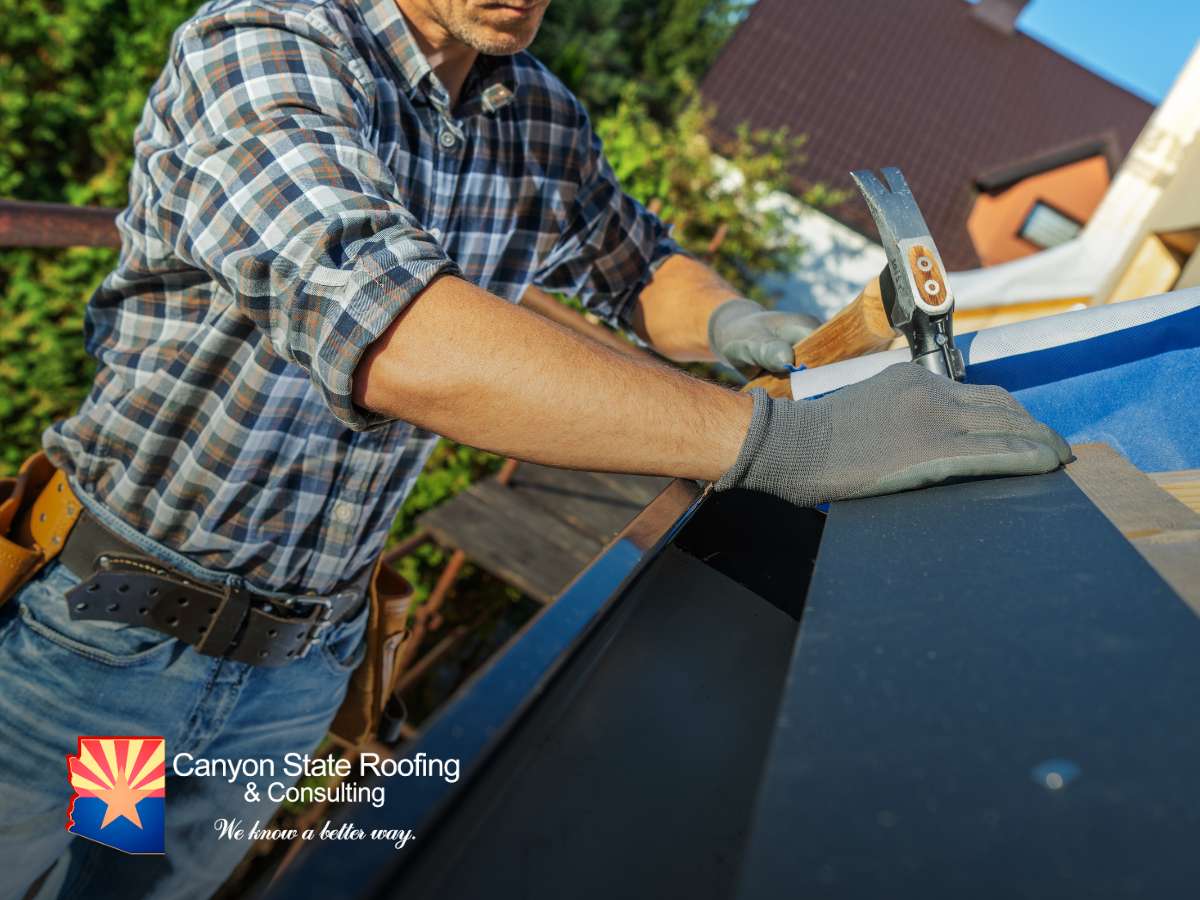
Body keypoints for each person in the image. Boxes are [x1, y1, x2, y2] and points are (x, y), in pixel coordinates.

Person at [0, 0, 1070, 896]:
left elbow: (639, 264)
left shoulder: (534, 118)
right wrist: (778, 440)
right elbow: (393, 334)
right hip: (115, 643)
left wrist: (746, 325)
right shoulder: (269, 45)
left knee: (135, 892)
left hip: (291, 673)